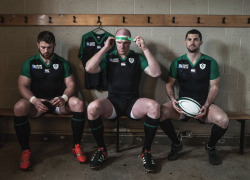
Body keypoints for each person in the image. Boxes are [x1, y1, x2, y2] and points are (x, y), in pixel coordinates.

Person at [85, 28, 161, 173]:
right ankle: (102, 150)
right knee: (92, 108)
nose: (122, 46)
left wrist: (145, 48)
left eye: (125, 43)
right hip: (113, 102)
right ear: (115, 42)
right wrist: (105, 48)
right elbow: (89, 68)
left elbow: (156, 72)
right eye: (118, 42)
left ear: (130, 42)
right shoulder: (109, 57)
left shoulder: (138, 57)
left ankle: (146, 152)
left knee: (154, 106)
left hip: (133, 102)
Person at [13, 31, 87, 170]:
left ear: (54, 45)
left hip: (58, 103)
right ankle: (25, 151)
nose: (46, 51)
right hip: (37, 104)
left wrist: (63, 98)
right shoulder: (31, 62)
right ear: (38, 45)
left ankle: (76, 146)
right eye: (43, 47)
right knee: (18, 107)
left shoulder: (62, 63)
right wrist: (34, 100)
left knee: (79, 104)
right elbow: (22, 86)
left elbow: (71, 85)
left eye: (49, 47)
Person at [160, 29, 229, 165]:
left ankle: (210, 146)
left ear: (200, 42)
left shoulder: (210, 62)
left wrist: (207, 105)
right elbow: (169, 84)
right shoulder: (177, 62)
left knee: (224, 120)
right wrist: (173, 100)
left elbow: (214, 87)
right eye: (189, 39)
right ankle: (176, 143)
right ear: (185, 42)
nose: (192, 42)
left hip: (203, 106)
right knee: (159, 113)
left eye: (196, 39)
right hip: (181, 106)